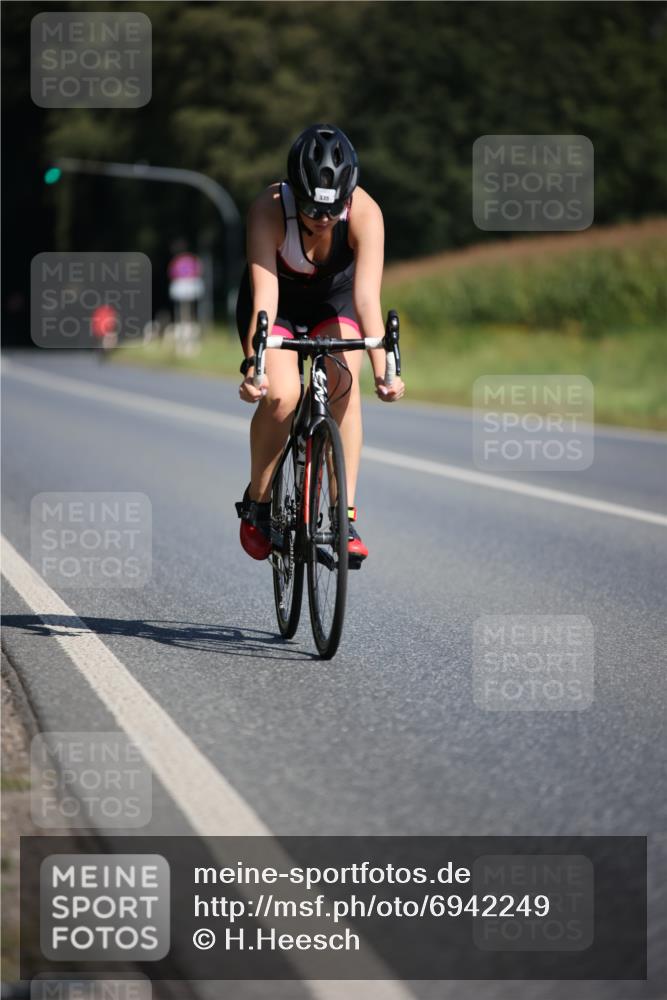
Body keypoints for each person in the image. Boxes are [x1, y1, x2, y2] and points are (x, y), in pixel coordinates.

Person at [235, 123, 405, 563]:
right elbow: (265, 299)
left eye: (332, 210)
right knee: (283, 396)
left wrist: (387, 369)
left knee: (344, 381)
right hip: (279, 303)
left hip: (336, 301)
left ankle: (343, 516)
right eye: (312, 207)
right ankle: (258, 502)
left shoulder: (367, 213)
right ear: (294, 190)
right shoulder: (268, 210)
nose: (322, 218)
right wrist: (256, 368)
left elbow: (368, 300)